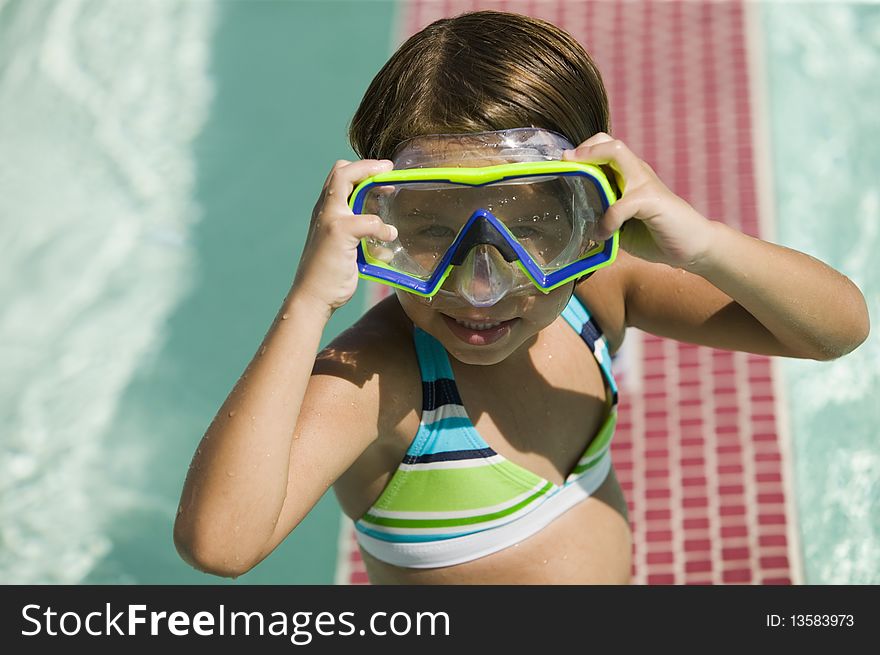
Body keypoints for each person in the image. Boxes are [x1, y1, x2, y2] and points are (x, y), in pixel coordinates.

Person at [172, 10, 869, 584]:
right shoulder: (382, 383)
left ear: (587, 213)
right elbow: (221, 544)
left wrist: (705, 244)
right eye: (433, 232)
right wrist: (308, 301)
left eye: (532, 229)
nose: (482, 284)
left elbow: (836, 330)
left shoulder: (596, 290)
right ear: (374, 226)